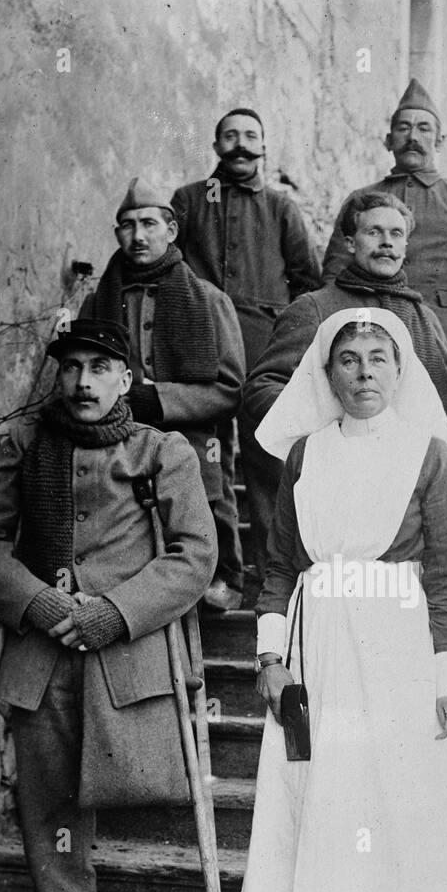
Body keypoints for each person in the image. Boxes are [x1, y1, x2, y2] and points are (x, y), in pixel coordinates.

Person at [233, 308, 447, 892]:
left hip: (397, 652)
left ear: (402, 372)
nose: (365, 371)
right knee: (317, 811)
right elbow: (277, 567)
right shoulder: (305, 454)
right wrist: (271, 660)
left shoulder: (426, 456)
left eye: (380, 357)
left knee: (389, 817)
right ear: (326, 371)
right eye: (349, 358)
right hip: (315, 653)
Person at [0, 319, 217, 892]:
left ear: (126, 379)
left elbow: (196, 556)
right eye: (71, 367)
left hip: (128, 661)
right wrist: (38, 602)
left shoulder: (162, 450)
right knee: (52, 828)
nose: (82, 382)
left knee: (137, 798)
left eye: (100, 367)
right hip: (43, 660)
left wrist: (113, 611)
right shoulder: (26, 445)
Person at [242, 191, 447, 560]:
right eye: (374, 232)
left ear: (406, 245)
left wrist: (425, 439)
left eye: (396, 234)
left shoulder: (424, 318)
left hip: (404, 489)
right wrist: (331, 431)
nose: (386, 243)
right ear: (350, 242)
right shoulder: (315, 308)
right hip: (336, 485)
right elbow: (261, 387)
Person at [172, 108, 322, 590]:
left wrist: (289, 346)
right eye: (229, 136)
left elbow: (307, 282)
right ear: (216, 146)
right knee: (207, 461)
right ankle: (221, 577)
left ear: (263, 146)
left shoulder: (281, 208)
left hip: (265, 354)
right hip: (201, 350)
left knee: (269, 462)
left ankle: (275, 576)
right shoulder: (190, 201)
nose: (240, 144)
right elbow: (167, 266)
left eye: (250, 136)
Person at [80, 176, 245, 613]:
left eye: (150, 224)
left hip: (193, 443)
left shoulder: (209, 301)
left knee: (203, 519)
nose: (138, 236)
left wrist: (160, 400)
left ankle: (221, 580)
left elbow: (230, 389)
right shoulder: (97, 304)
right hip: (119, 445)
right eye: (128, 226)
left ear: (170, 231)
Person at [321, 77, 447, 388]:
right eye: (403, 128)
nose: (413, 137)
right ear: (389, 140)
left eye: (424, 129)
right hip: (369, 329)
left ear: (440, 141)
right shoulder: (361, 200)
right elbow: (333, 274)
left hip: (443, 333)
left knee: (438, 416)